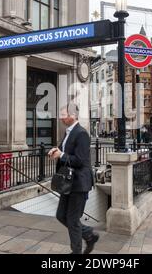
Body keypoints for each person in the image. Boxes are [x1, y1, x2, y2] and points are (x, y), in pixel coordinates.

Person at [48, 103, 99, 254]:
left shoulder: (81, 133)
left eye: (63, 115)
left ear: (73, 115)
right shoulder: (68, 132)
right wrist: (55, 151)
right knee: (61, 215)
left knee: (72, 219)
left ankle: (76, 251)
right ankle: (88, 234)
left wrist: (62, 155)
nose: (61, 118)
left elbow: (80, 161)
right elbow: (64, 151)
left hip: (79, 183)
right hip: (68, 183)